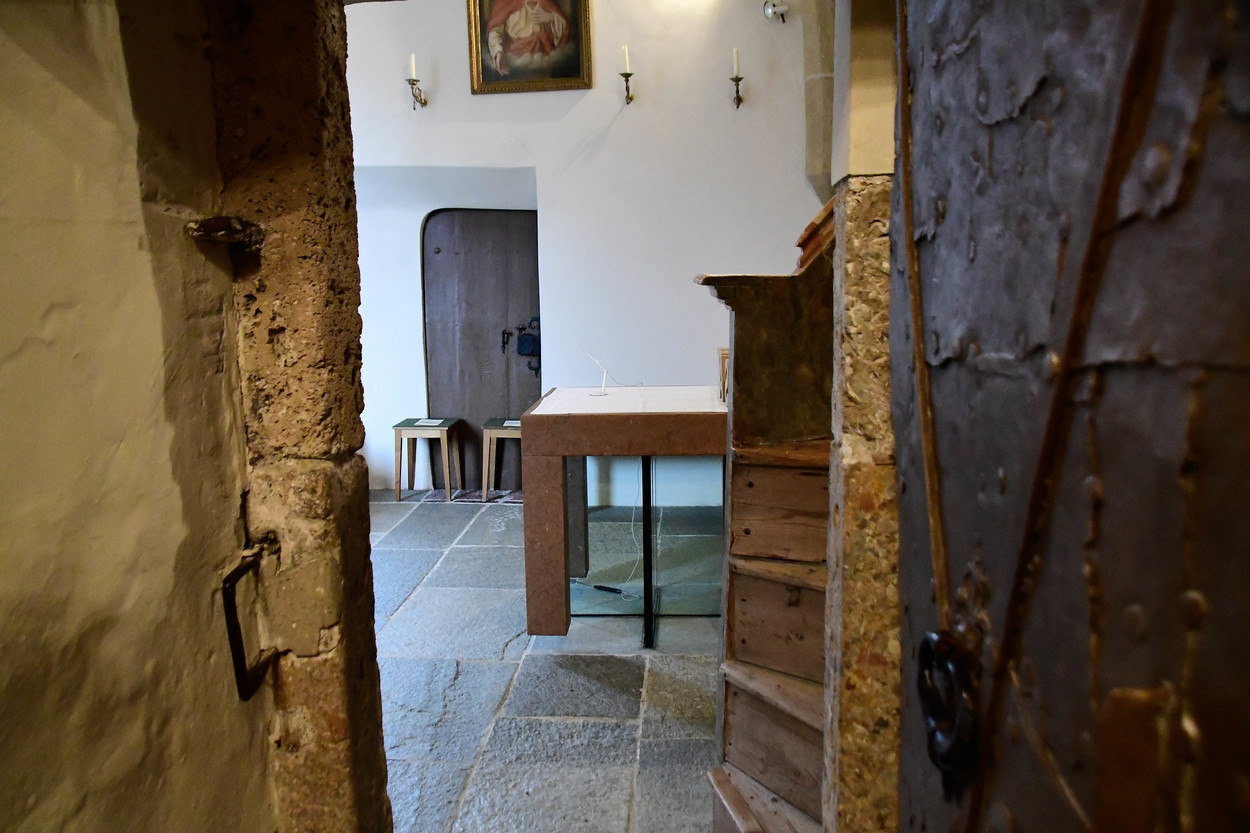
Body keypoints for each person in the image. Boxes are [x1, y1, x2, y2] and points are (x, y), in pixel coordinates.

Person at [485, 0, 573, 77]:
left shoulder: (546, 2)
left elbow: (565, 31)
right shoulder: (505, 2)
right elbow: (495, 29)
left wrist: (551, 18)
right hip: (515, 62)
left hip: (544, 62)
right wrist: (498, 51)